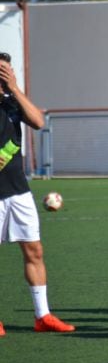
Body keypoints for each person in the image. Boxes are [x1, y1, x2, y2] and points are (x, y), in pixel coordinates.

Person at [0, 52, 75, 335]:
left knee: (35, 251)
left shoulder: (12, 103)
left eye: (7, 69)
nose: (4, 74)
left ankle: (42, 316)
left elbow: (39, 122)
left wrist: (15, 89)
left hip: (18, 192)